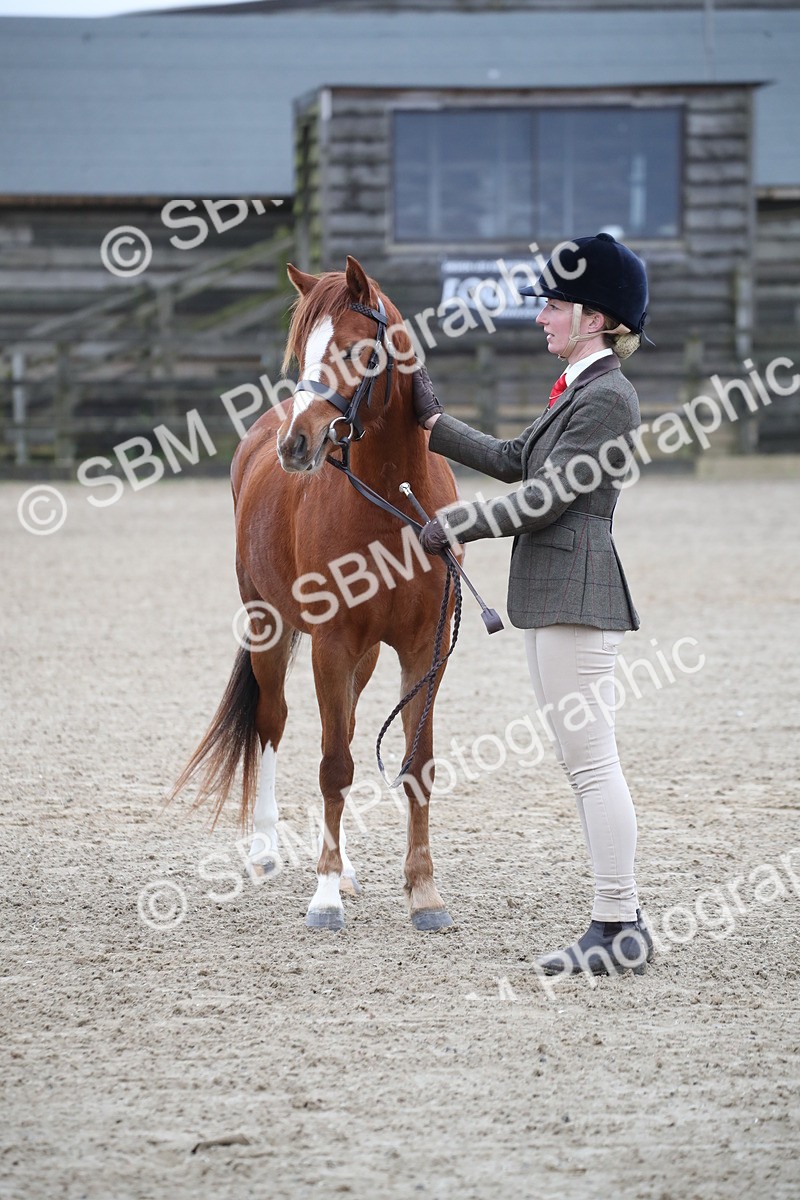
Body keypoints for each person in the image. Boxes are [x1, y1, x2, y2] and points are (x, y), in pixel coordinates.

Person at [413, 232, 653, 976]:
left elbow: (545, 499)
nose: (542, 316)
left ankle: (618, 924)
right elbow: (518, 459)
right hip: (554, 592)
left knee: (592, 764)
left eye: (553, 305)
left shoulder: (607, 398)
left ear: (593, 317)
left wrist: (458, 522)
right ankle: (619, 920)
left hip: (577, 591)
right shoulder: (581, 389)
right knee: (583, 762)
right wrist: (433, 424)